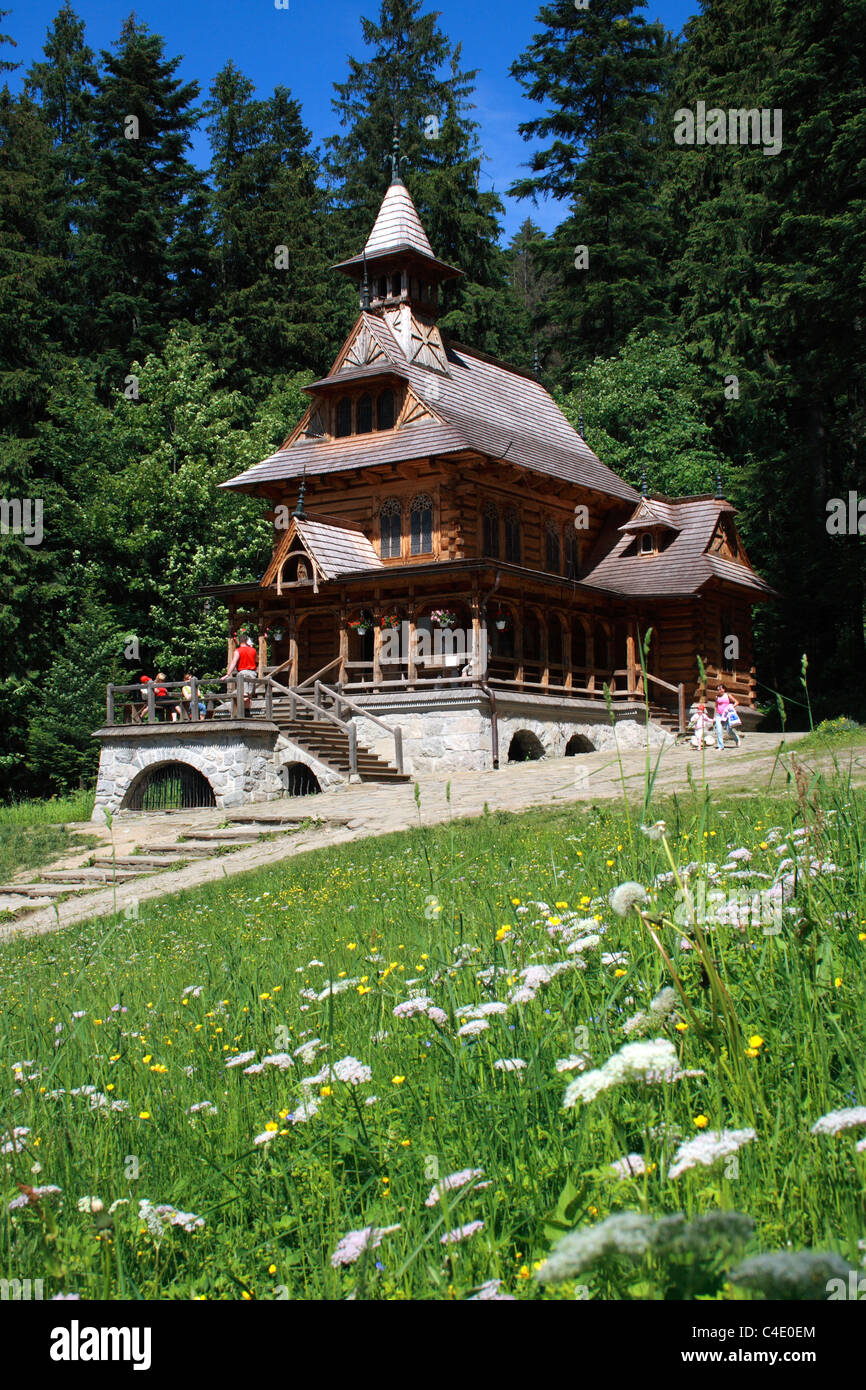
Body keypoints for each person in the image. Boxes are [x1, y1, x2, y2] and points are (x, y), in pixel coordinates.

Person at [223, 636, 258, 716]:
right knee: (249, 695)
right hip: (252, 673)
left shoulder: (238, 651)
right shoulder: (253, 650)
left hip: (243, 674)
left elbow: (234, 662)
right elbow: (256, 660)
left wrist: (228, 674)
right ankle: (248, 713)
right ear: (246, 641)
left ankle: (243, 713)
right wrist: (251, 647)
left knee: (244, 695)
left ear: (239, 642)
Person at [714, 683, 740, 749]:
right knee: (719, 730)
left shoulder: (728, 695)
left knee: (729, 730)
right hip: (719, 715)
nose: (719, 691)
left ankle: (737, 739)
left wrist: (731, 707)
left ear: (724, 689)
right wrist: (714, 717)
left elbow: (737, 702)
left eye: (720, 689)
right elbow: (716, 707)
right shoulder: (717, 697)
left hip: (726, 715)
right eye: (718, 689)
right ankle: (720, 746)